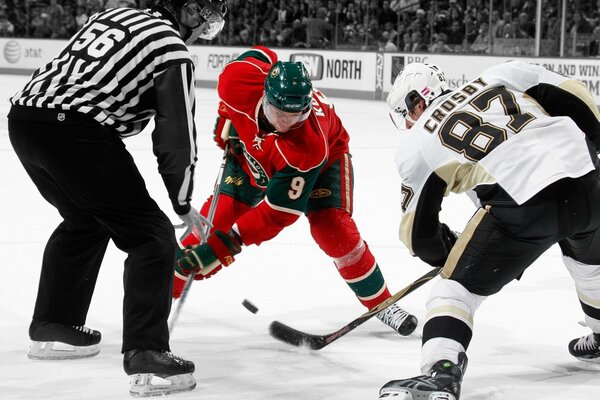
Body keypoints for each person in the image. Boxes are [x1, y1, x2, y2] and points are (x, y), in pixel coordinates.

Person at [7, 0, 226, 396]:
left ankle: (53, 325)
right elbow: (176, 134)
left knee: (85, 220)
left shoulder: (115, 14)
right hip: (76, 132)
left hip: (25, 120)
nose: (203, 32)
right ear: (190, 13)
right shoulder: (172, 47)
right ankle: (147, 353)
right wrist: (180, 201)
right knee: (151, 235)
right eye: (207, 21)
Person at [378, 61, 600, 400]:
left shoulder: (417, 143)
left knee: (453, 292)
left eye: (406, 116)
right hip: (588, 178)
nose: (409, 125)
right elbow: (574, 95)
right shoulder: (501, 74)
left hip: (523, 202)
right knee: (590, 267)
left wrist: (448, 253)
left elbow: (418, 237)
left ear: (416, 103)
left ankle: (441, 372)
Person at [174, 46, 418, 337]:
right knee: (208, 226)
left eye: (296, 115)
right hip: (252, 152)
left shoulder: (308, 145)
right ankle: (157, 293)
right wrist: (227, 114)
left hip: (324, 163)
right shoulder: (236, 81)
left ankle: (383, 304)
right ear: (266, 95)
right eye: (280, 114)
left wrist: (224, 247)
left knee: (331, 230)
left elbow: (277, 213)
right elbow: (262, 54)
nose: (287, 123)